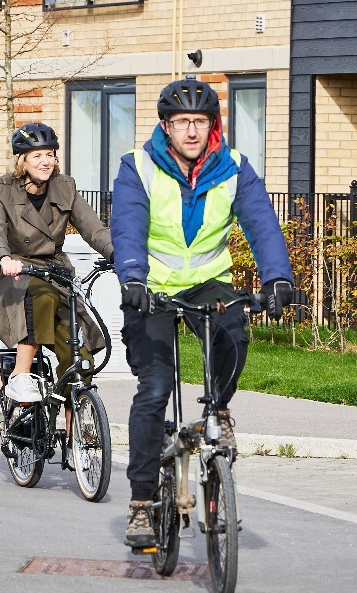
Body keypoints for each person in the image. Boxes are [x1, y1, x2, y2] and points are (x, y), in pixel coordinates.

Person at [110, 78, 294, 548]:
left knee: (234, 333)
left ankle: (219, 410)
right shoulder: (139, 167)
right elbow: (128, 223)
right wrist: (131, 275)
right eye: (182, 122)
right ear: (166, 126)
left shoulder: (233, 168)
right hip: (148, 287)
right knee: (154, 390)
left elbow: (262, 224)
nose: (191, 131)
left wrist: (277, 277)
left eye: (200, 121)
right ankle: (141, 502)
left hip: (207, 283)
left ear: (212, 125)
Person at [0, 122, 113, 447]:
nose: (46, 161)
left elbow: (94, 228)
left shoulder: (64, 187)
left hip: (55, 273)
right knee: (39, 297)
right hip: (15, 273)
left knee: (80, 358)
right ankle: (21, 376)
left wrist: (121, 255)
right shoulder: (1, 189)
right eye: (37, 155)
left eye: (50, 154)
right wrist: (2, 258)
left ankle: (76, 435)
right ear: (22, 160)